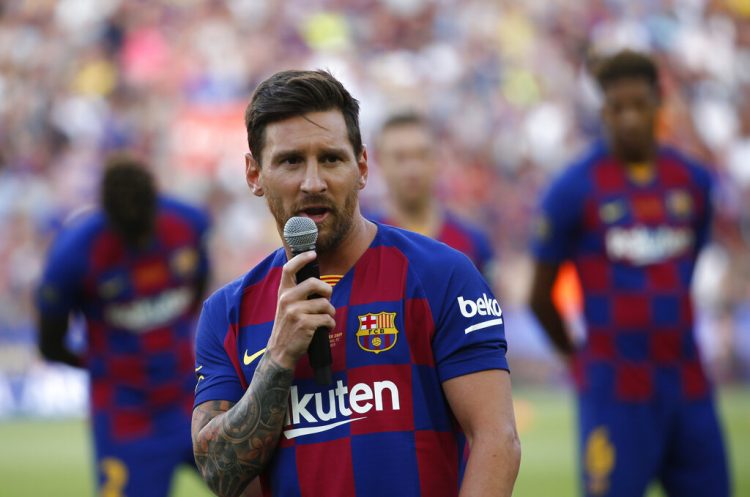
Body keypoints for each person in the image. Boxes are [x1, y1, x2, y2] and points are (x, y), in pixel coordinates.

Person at [190, 69, 520, 497]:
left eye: (331, 158)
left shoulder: (441, 276)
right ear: (254, 174)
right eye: (291, 161)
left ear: (361, 167)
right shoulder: (227, 313)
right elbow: (219, 474)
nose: (313, 182)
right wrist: (277, 359)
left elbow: (497, 439)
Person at [528, 49, 730, 497]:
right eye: (618, 108)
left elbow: (688, 266)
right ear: (604, 111)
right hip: (614, 387)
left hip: (687, 380)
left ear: (659, 104)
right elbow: (539, 297)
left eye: (640, 105)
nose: (631, 119)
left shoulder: (693, 181)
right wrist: (577, 358)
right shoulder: (574, 188)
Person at [36, 154, 211, 497]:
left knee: (265, 485)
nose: (141, 241)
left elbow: (199, 291)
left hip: (193, 400)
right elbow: (49, 343)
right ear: (109, 218)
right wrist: (99, 365)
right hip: (124, 416)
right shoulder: (73, 255)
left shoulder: (188, 224)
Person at [369, 111, 496, 280]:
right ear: (379, 161)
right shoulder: (362, 242)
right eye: (400, 157)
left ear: (437, 158)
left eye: (422, 155)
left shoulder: (472, 242)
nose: (412, 169)